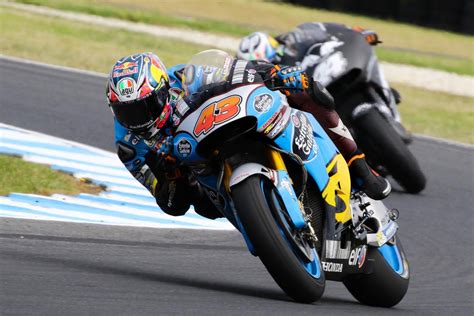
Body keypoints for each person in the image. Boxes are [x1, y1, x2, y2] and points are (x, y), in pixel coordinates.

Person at [106, 51, 389, 222]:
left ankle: (358, 164)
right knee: (204, 207)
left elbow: (239, 69)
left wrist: (276, 73)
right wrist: (173, 178)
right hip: (202, 177)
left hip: (221, 126)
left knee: (306, 89)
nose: (139, 119)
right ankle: (267, 222)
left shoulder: (183, 76)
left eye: (146, 107)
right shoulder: (129, 147)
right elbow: (170, 204)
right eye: (127, 113)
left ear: (164, 90)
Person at [237, 24, 391, 200]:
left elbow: (323, 30)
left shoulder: (294, 41)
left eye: (270, 60)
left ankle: (360, 169)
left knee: (315, 97)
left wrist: (353, 33)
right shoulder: (246, 74)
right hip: (275, 113)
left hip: (314, 83)